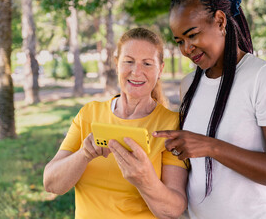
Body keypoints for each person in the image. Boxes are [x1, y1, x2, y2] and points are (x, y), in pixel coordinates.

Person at [153, 0, 266, 219]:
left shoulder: (263, 78)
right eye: (179, 41)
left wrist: (211, 147)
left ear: (221, 21)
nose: (186, 48)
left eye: (192, 35)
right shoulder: (189, 84)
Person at [43, 28, 188, 219]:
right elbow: (51, 184)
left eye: (147, 63)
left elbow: (173, 210)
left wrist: (145, 180)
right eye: (128, 61)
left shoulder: (171, 124)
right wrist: (84, 155)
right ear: (116, 64)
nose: (136, 71)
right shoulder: (89, 113)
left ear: (160, 69)